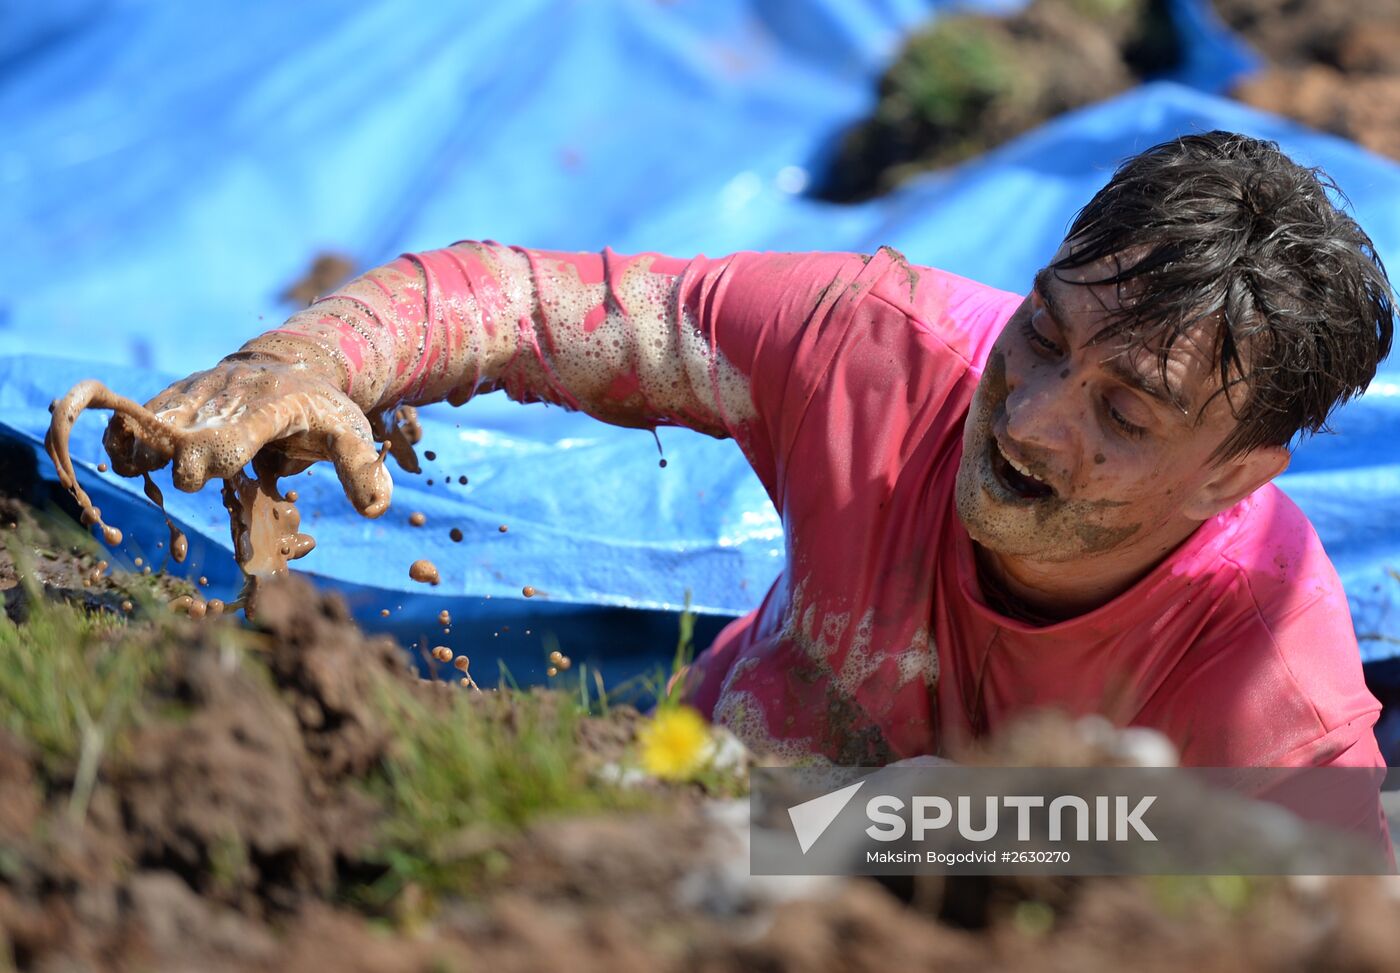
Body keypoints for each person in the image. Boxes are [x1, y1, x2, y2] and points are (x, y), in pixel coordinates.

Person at [102, 132, 1393, 789]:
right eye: (1042, 335)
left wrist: (892, 836)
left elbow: (1333, 912)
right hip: (667, 805)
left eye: (1125, 416)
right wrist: (303, 360)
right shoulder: (878, 351)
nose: (1028, 420)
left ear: (1234, 475)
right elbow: (531, 301)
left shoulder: (1270, 674)